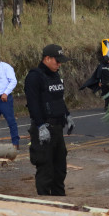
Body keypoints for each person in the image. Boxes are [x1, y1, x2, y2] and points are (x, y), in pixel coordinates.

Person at [24, 44, 74, 196]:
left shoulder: (55, 75)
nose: (59, 64)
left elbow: (58, 99)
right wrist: (40, 126)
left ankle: (60, 201)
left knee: (60, 168)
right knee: (46, 169)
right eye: (57, 61)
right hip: (44, 129)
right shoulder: (34, 76)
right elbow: (32, 104)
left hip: (57, 129)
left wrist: (67, 115)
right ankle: (45, 204)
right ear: (47, 58)